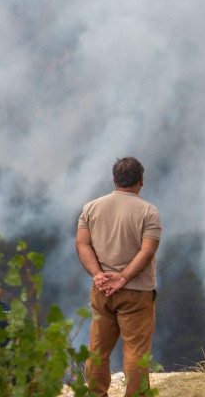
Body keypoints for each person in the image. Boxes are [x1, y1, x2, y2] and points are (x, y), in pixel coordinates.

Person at [75, 156, 162, 397]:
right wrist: (123, 278)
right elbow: (148, 250)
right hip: (137, 293)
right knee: (135, 353)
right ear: (141, 181)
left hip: (101, 291)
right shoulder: (148, 212)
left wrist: (98, 275)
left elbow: (82, 244)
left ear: (114, 179)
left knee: (97, 351)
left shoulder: (91, 208)